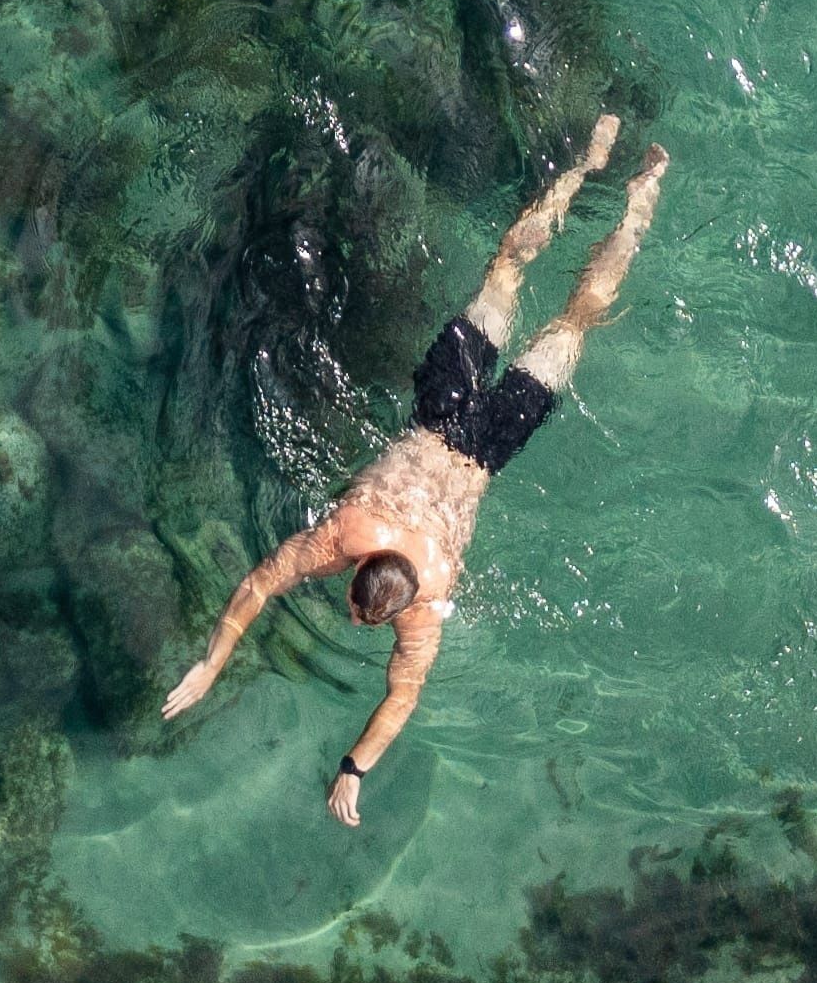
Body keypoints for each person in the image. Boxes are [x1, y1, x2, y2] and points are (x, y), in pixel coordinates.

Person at [160, 117, 670, 825]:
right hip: (454, 424)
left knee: (546, 301)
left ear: (369, 583)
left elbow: (271, 593)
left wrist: (226, 671)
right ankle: (620, 184)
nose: (352, 613)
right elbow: (385, 686)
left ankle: (610, 178)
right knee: (524, 282)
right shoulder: (360, 536)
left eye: (355, 609)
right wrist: (351, 765)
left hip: (478, 437)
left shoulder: (398, 577)